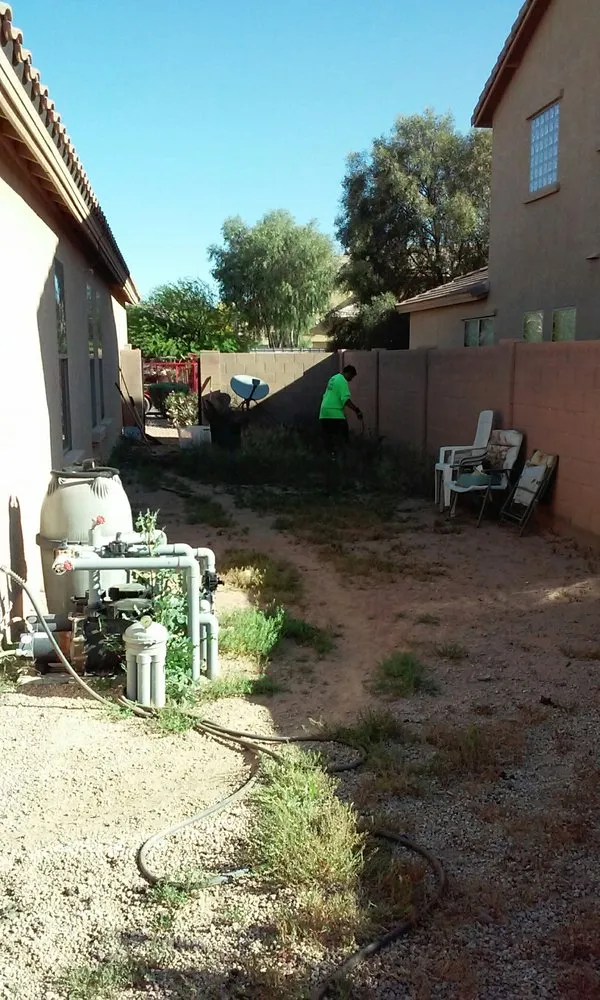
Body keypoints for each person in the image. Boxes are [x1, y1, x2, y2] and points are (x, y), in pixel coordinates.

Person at [319, 364, 362, 452]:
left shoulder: (334, 378)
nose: (351, 379)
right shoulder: (342, 381)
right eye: (351, 376)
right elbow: (345, 400)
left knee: (328, 439)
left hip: (324, 412)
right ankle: (343, 457)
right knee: (343, 438)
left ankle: (330, 457)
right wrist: (357, 410)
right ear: (348, 373)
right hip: (334, 413)